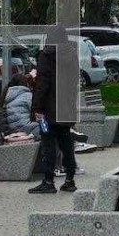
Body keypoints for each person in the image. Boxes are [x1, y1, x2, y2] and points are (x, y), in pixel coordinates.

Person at [28, 45, 77, 194]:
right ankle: (70, 179)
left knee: (47, 142)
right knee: (66, 142)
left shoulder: (46, 55)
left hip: (46, 112)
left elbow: (43, 84)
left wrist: (37, 107)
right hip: (65, 109)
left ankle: (48, 181)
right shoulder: (71, 54)